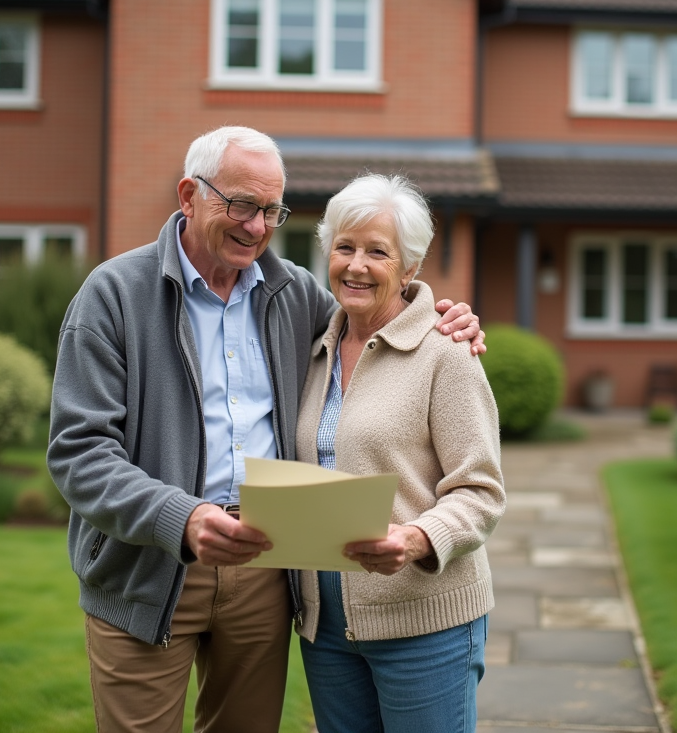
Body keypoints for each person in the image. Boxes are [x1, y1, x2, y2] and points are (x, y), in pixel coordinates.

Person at [47, 126, 485, 733]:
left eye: (271, 211)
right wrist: (185, 519)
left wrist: (444, 315)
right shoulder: (114, 295)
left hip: (264, 567)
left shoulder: (293, 295)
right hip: (145, 568)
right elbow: (79, 454)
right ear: (188, 195)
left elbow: (379, 311)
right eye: (239, 205)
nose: (256, 226)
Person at [295, 174, 505, 733]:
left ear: (409, 268)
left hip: (425, 622)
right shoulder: (312, 350)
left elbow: (481, 492)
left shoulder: (447, 352)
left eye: (377, 252)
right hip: (326, 626)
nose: (356, 264)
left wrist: (414, 539)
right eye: (345, 247)